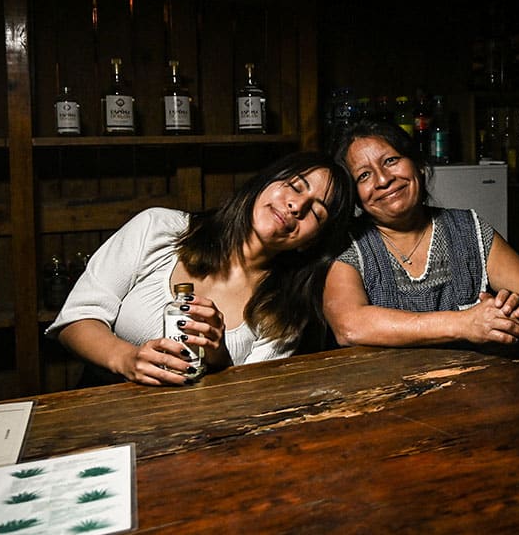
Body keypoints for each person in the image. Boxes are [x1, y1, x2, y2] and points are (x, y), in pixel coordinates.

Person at [46, 151, 353, 387]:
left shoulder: (285, 314)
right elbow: (75, 320)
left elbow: (250, 400)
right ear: (264, 184)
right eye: (294, 186)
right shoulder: (160, 228)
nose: (296, 205)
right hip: (103, 411)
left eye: (315, 211)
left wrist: (219, 357)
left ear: (310, 243)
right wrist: (126, 358)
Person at [322, 120, 519, 350]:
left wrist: (517, 312)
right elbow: (349, 326)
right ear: (355, 195)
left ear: (418, 165)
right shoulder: (348, 244)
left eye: (391, 160)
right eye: (364, 175)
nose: (384, 179)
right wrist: (464, 324)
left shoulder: (467, 227)